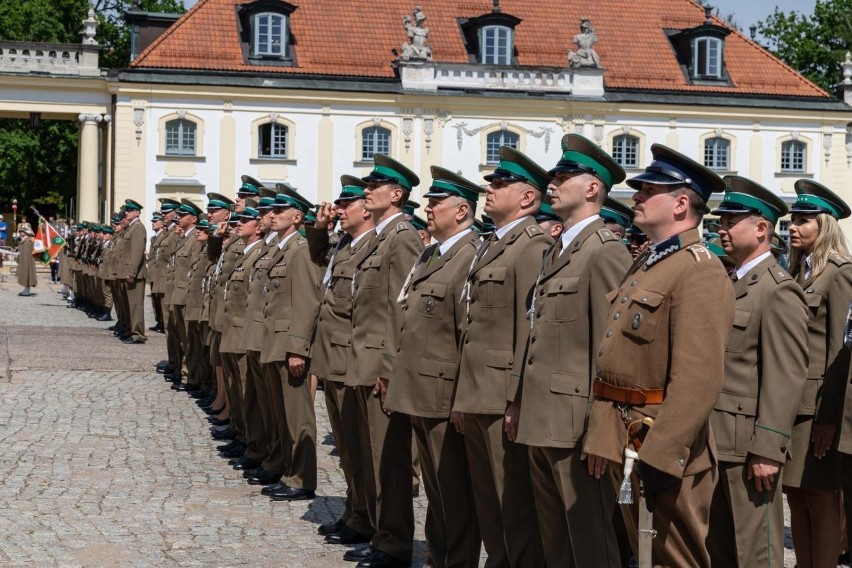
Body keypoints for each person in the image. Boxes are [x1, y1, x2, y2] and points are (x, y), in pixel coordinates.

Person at [583, 144, 734, 567]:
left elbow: (698, 380)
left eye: (649, 191)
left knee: (674, 558)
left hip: (661, 445)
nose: (637, 198)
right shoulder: (652, 261)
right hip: (627, 437)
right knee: (644, 554)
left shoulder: (699, 268)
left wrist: (662, 454)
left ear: (681, 203)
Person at [512, 134, 630, 568]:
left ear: (593, 188)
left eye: (564, 175)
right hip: (545, 418)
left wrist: (603, 429)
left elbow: (611, 351)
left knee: (590, 544)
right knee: (555, 541)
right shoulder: (559, 249)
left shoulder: (605, 252)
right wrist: (521, 402)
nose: (553, 182)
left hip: (578, 425)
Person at [452, 146, 552, 567]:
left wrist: (516, 399)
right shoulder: (494, 244)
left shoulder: (532, 246)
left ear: (528, 198)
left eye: (499, 184)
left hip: (501, 396)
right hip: (477, 391)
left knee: (513, 507)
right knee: (489, 502)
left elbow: (528, 330)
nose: (488, 190)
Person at [706, 175, 809, 567]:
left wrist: (768, 448)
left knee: (756, 553)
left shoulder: (777, 289)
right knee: (719, 550)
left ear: (762, 228)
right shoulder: (731, 281)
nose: (722, 230)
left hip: (748, 446)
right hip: (716, 439)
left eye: (732, 221)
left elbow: (786, 377)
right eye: (721, 222)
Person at [384, 166, 484, 568]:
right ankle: (439, 557)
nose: (428, 208)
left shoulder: (470, 255)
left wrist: (463, 398)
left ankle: (455, 560)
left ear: (461, 211)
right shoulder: (433, 253)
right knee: (437, 489)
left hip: (445, 392)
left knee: (454, 492)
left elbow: (467, 335)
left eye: (436, 202)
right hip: (421, 390)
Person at [344, 154, 424, 568]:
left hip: (380, 367)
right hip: (364, 361)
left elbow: (402, 308)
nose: (366, 192)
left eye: (374, 186)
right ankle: (379, 530)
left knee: (388, 460)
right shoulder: (379, 238)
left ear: (396, 194)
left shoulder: (403, 237)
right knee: (370, 455)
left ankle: (394, 541)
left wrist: (390, 368)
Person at [786, 179, 852, 568]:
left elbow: (840, 350)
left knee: (821, 496)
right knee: (795, 493)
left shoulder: (840, 273)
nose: (793, 226)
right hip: (792, 402)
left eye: (804, 219)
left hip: (818, 407)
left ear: (824, 225)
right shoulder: (798, 272)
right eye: (793, 218)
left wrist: (829, 416)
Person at [307, 176, 376, 546]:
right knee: (349, 448)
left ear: (366, 209)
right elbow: (318, 256)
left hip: (353, 357)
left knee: (362, 447)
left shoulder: (376, 244)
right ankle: (355, 510)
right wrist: (320, 227)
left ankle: (368, 518)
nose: (338, 210)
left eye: (346, 205)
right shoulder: (346, 244)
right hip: (334, 355)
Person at [121, 199, 148, 344]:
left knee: (135, 304)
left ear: (137, 212)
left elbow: (137, 252)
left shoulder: (137, 227)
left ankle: (137, 334)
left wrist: (132, 272)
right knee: (130, 304)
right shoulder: (131, 227)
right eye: (127, 210)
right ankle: (131, 330)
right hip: (130, 272)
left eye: (130, 210)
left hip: (135, 274)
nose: (126, 212)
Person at [16, 227, 37, 296]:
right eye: (20, 231)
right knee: (24, 275)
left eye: (22, 231)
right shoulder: (24, 240)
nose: (20, 233)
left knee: (27, 274)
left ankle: (27, 291)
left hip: (27, 260)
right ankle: (26, 289)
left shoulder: (28, 240)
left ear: (26, 233)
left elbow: (27, 252)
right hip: (24, 259)